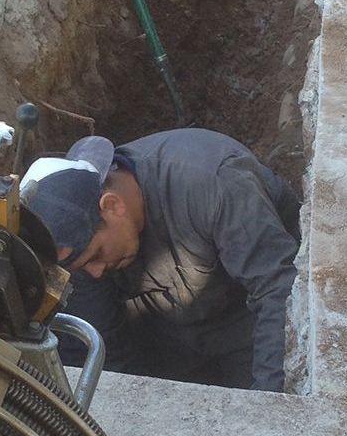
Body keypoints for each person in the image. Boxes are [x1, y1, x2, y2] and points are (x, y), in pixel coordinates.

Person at [20, 129, 300, 392]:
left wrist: (269, 398)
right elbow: (104, 353)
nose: (95, 271)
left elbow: (277, 291)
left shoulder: (211, 184)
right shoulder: (77, 241)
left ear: (112, 205)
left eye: (97, 255)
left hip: (248, 329)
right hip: (170, 337)